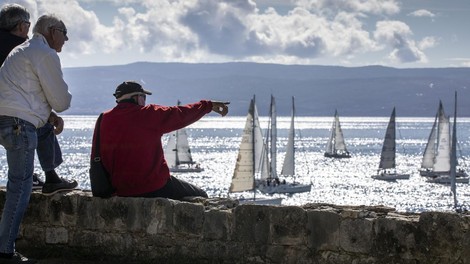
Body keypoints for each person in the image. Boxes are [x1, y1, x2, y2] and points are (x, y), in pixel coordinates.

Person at [0, 13, 74, 263]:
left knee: (18, 183)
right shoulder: (45, 54)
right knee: (19, 188)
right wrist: (56, 110)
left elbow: (27, 94)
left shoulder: (21, 50)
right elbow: (62, 101)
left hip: (7, 120)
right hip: (19, 124)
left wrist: (48, 116)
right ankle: (4, 251)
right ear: (53, 31)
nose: (66, 39)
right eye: (64, 33)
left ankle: (52, 176)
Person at [91, 81, 229, 200]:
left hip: (119, 189)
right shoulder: (148, 114)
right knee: (201, 195)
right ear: (137, 98)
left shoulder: (104, 118)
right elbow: (181, 114)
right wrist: (208, 105)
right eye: (143, 97)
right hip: (153, 187)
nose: (145, 101)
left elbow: (96, 155)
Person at [0, 3, 75, 194]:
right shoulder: (22, 48)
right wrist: (50, 115)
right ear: (22, 26)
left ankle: (43, 176)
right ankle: (50, 176)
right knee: (43, 126)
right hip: (11, 116)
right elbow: (29, 92)